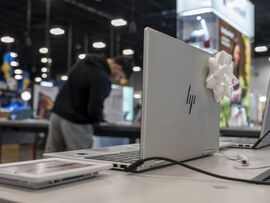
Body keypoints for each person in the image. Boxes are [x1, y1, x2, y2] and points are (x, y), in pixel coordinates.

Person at [45, 54, 133, 153]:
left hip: (57, 114)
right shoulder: (102, 78)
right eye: (121, 77)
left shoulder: (83, 63)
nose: (117, 79)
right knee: (80, 158)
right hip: (76, 120)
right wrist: (98, 118)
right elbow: (94, 108)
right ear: (119, 68)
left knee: (52, 155)